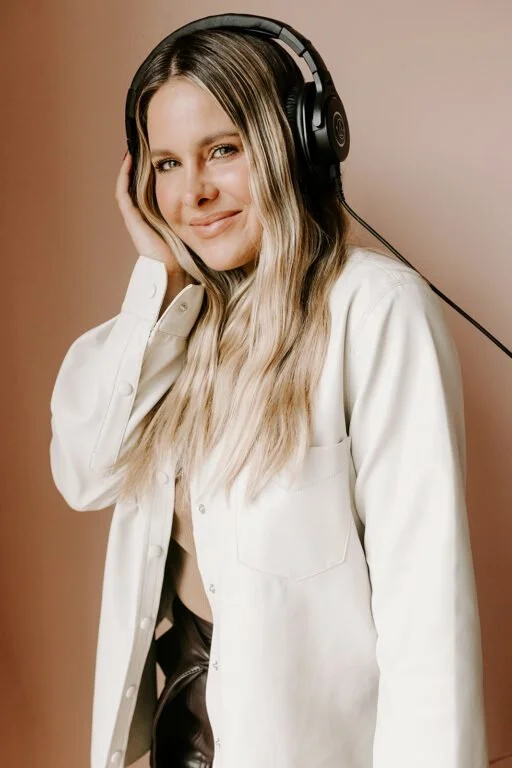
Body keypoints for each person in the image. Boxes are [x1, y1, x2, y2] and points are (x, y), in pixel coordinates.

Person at [49, 23, 489, 768]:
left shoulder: (376, 311)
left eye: (223, 150)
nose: (194, 192)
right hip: (184, 732)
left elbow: (428, 614)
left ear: (298, 142)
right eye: (167, 164)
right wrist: (157, 280)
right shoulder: (171, 322)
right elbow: (82, 473)